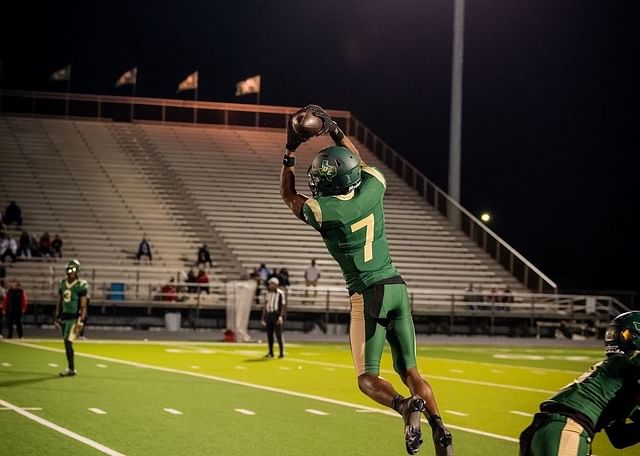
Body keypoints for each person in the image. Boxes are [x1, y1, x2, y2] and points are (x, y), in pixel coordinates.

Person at [280, 104, 453, 455]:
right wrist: (333, 129)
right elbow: (356, 161)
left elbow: (288, 195)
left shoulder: (323, 210)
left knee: (366, 379)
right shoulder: (374, 185)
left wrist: (289, 151)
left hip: (366, 293)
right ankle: (441, 430)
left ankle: (405, 407)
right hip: (396, 287)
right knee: (412, 372)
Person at [519, 310, 640, 455]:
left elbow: (619, 437)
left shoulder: (618, 377)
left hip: (555, 428)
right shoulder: (628, 362)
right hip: (568, 428)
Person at [54, 259, 89, 377]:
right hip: (64, 317)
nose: (70, 272)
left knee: (68, 342)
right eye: (68, 269)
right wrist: (57, 316)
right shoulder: (63, 283)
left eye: (73, 270)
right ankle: (71, 368)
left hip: (74, 318)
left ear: (77, 271)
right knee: (66, 342)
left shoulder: (81, 285)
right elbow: (60, 301)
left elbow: (84, 306)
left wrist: (82, 321)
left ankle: (71, 368)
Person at [260, 277, 286, 358]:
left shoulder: (280, 293)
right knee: (269, 335)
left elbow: (283, 306)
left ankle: (281, 352)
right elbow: (266, 305)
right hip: (269, 315)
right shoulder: (268, 293)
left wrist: (280, 317)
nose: (270, 285)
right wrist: (263, 316)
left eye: (272, 284)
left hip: (276, 315)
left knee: (278, 335)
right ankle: (271, 352)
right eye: (270, 284)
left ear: (276, 285)